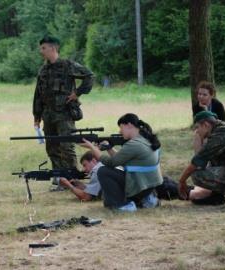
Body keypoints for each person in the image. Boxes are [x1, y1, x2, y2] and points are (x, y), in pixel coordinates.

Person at [33, 35, 94, 171]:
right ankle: (59, 178)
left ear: (53, 48)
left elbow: (89, 76)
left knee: (66, 146)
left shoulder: (67, 65)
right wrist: (36, 117)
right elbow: (38, 95)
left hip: (64, 114)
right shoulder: (43, 70)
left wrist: (77, 93)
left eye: (44, 48)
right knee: (52, 148)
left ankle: (72, 177)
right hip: (48, 116)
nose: (41, 51)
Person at [80, 113, 163, 212]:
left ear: (129, 125)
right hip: (148, 185)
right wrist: (109, 148)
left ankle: (121, 205)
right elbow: (121, 159)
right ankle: (146, 199)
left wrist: (92, 148)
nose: (120, 131)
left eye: (121, 127)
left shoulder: (133, 144)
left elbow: (111, 163)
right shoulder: (145, 139)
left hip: (140, 186)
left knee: (103, 171)